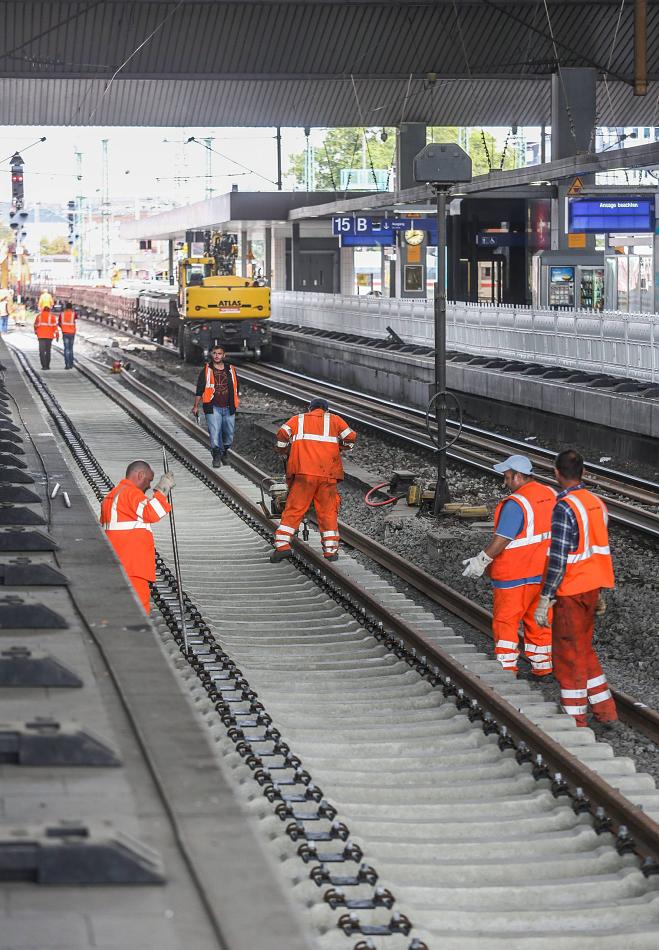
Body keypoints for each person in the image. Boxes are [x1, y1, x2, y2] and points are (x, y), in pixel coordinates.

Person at [534, 449, 618, 728]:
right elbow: (595, 549)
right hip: (592, 588)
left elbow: (559, 558)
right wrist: (599, 592)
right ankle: (605, 710)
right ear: (583, 472)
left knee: (567, 652)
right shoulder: (596, 503)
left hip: (571, 590)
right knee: (583, 647)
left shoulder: (565, 507)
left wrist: (546, 596)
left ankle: (575, 719)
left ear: (556, 473)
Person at [462, 455, 556, 677]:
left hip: (516, 575)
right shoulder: (551, 494)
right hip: (544, 571)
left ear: (518, 476)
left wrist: (482, 560)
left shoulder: (517, 504)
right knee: (539, 619)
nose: (505, 483)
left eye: (507, 477)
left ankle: (507, 668)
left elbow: (503, 538)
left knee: (506, 621)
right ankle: (542, 666)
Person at [271, 397, 356, 563]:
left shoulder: (298, 419)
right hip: (328, 475)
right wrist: (341, 446)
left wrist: (282, 449)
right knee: (327, 511)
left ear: (310, 409)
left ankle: (282, 546)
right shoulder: (335, 420)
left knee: (294, 508)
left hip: (304, 474)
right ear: (326, 410)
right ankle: (331, 550)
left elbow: (282, 433)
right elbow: (351, 436)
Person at [100, 460, 174, 615]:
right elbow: (151, 513)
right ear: (140, 475)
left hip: (117, 565)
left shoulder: (113, 496)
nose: (149, 486)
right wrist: (162, 490)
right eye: (149, 480)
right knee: (138, 615)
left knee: (121, 613)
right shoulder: (129, 493)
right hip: (132, 567)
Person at [192, 345, 239, 467]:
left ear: (224, 355)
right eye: (214, 353)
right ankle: (216, 455)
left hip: (229, 407)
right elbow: (200, 389)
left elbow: (235, 386)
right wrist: (196, 406)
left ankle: (224, 451)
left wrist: (235, 401)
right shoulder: (207, 370)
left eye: (219, 353)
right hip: (212, 407)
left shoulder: (231, 369)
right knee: (215, 432)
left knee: (229, 434)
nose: (217, 355)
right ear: (211, 355)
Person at [33, 305, 59, 369]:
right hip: (49, 336)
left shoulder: (39, 316)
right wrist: (57, 335)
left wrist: (36, 332)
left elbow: (35, 325)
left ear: (43, 310)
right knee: (48, 351)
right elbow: (55, 327)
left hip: (41, 336)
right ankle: (47, 365)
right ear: (49, 311)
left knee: (41, 351)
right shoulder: (52, 317)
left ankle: (43, 366)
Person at [58, 301, 77, 369]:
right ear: (71, 307)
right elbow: (75, 320)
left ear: (65, 307)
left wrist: (63, 327)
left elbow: (59, 323)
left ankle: (67, 364)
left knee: (66, 349)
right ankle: (71, 364)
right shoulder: (74, 314)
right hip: (72, 333)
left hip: (65, 333)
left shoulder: (62, 314)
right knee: (71, 348)